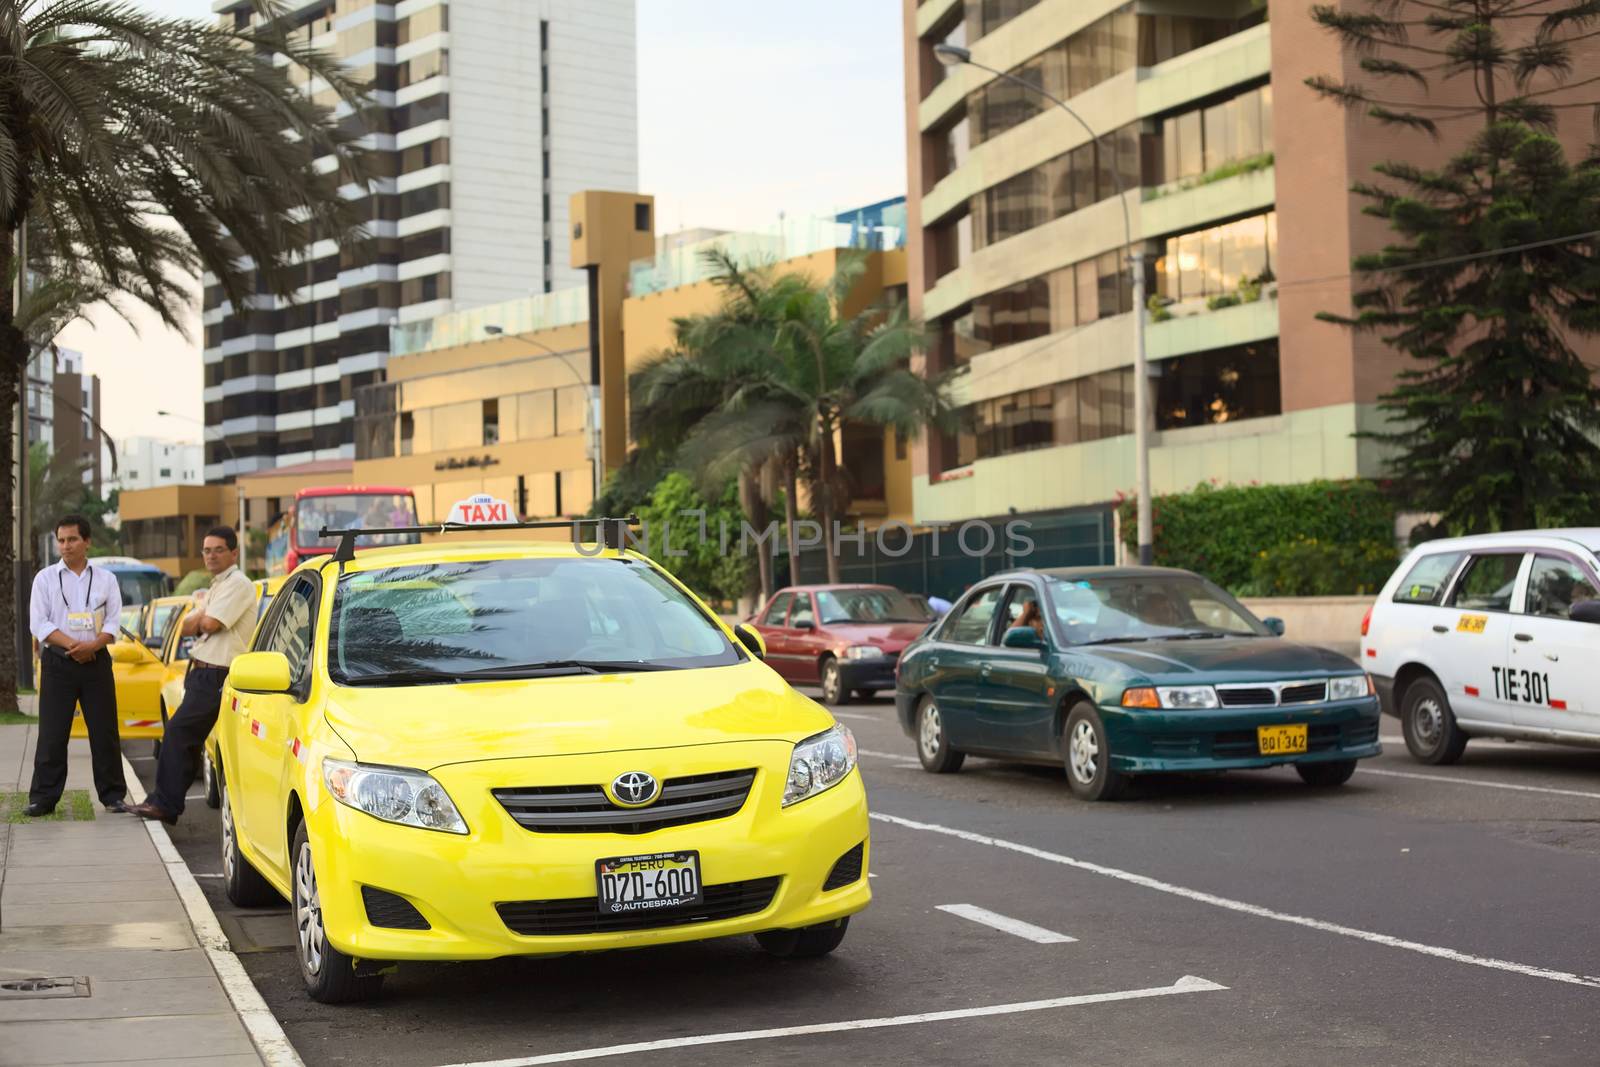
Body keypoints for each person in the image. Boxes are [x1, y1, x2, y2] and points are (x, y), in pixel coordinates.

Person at [126, 527, 256, 825]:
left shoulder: (238, 584)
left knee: (179, 734)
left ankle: (164, 804)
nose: (211, 555)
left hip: (217, 675)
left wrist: (200, 617)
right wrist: (199, 617)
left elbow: (208, 623)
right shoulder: (217, 585)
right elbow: (186, 626)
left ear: (234, 553)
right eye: (207, 550)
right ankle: (162, 802)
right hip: (201, 672)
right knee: (185, 739)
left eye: (218, 549)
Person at [26, 515, 129, 816]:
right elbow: (39, 623)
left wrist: (92, 647)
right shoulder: (44, 578)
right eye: (61, 540)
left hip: (96, 662)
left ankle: (113, 796)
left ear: (87, 542)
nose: (66, 546)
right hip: (59, 663)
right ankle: (43, 798)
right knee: (52, 733)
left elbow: (113, 622)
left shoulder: (106, 579)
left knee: (104, 730)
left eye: (72, 539)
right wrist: (74, 646)